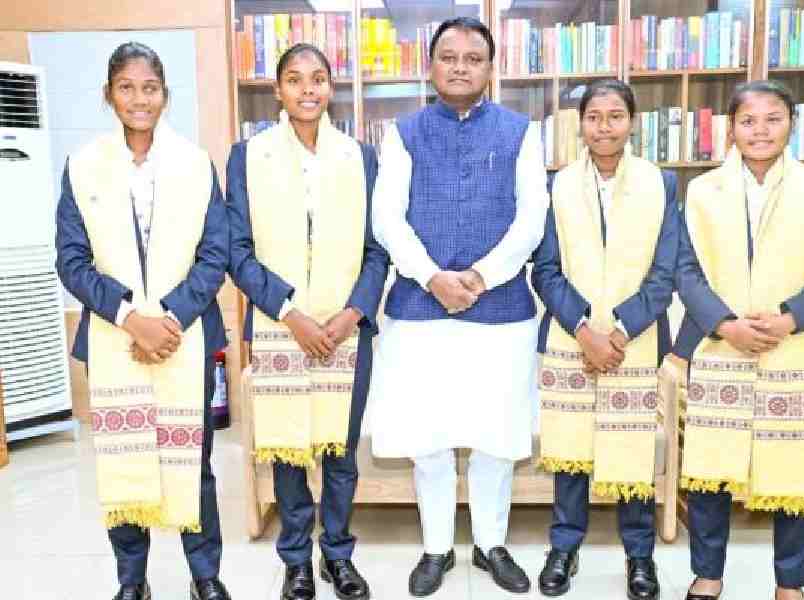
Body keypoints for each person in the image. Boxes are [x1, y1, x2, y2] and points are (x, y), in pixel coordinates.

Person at [367, 16, 548, 597]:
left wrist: (479, 275)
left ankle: (491, 543)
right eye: (450, 56)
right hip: (420, 310)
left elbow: (531, 219)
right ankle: (437, 547)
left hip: (502, 311)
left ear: (490, 68)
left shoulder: (522, 132)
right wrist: (431, 276)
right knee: (431, 435)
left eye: (473, 58)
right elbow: (387, 218)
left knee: (496, 436)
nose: (461, 66)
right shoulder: (403, 132)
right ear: (431, 65)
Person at [55, 42, 230, 600]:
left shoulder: (195, 163)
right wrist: (133, 319)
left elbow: (216, 254)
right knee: (123, 457)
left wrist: (171, 317)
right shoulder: (82, 167)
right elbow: (71, 260)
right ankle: (132, 581)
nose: (139, 99)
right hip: (115, 338)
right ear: (109, 95)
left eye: (149, 88)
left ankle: (206, 576)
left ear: (165, 95)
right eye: (126, 88)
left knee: (193, 463)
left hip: (188, 334)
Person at [672, 80, 804, 600]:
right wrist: (725, 324)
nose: (760, 130)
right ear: (730, 129)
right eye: (748, 120)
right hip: (718, 345)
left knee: (794, 469)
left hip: (799, 347)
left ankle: (791, 584)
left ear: (791, 125)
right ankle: (707, 574)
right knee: (709, 470)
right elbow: (684, 271)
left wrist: (789, 318)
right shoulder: (701, 192)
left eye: (772, 118)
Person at [227, 43, 388, 600]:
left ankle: (337, 555)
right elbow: (238, 252)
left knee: (339, 451)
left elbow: (377, 250)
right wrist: (290, 313)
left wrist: (352, 313)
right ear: (277, 90)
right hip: (280, 327)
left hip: (346, 330)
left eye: (318, 79)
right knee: (290, 449)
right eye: (295, 80)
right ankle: (296, 559)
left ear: (332, 88)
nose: (308, 90)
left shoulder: (359, 157)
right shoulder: (248, 156)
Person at [531, 79, 679, 600]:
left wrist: (618, 331)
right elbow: (545, 271)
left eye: (615, 116)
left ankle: (639, 555)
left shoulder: (662, 183)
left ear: (632, 122)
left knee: (632, 450)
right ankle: (563, 548)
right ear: (581, 125)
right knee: (570, 451)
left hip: (633, 341)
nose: (604, 127)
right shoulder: (558, 184)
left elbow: (666, 272)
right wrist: (583, 330)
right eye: (594, 117)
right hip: (572, 335)